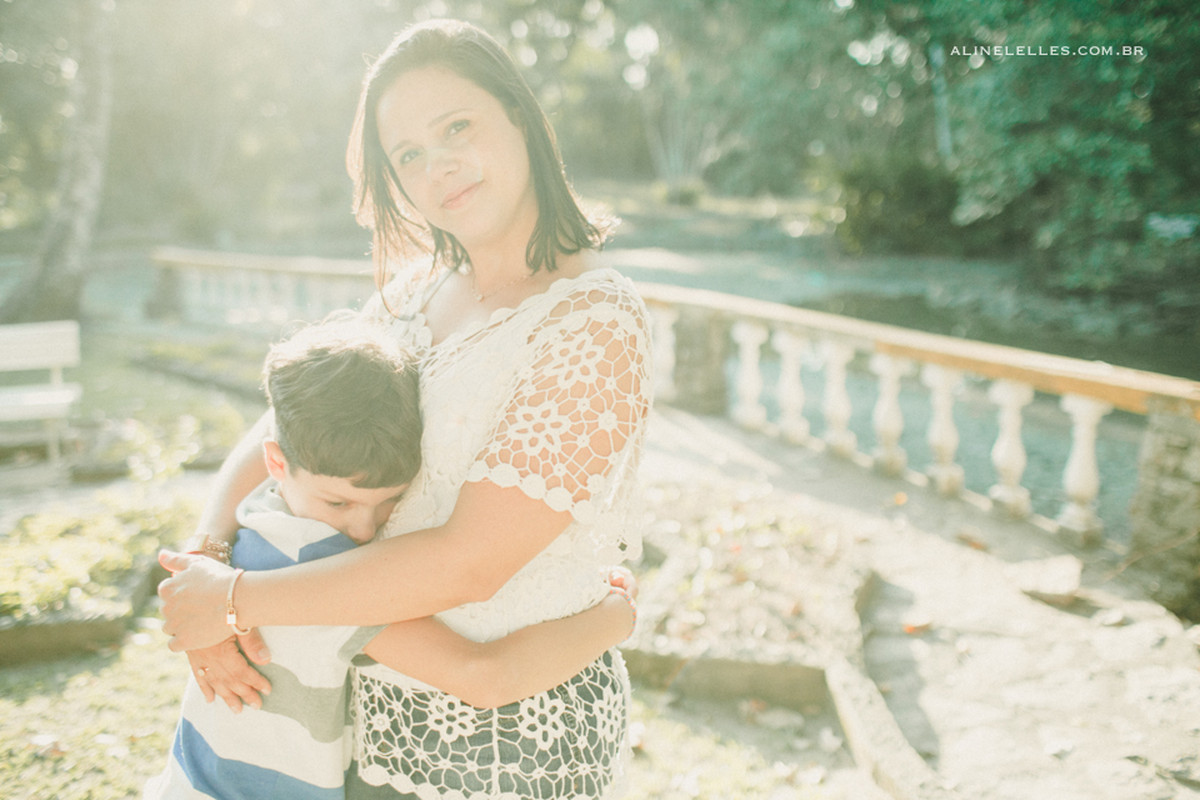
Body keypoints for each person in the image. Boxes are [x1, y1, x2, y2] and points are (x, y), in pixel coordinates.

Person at [157, 18, 653, 800]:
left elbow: (470, 563)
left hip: (508, 741)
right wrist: (207, 557)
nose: (439, 165)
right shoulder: (410, 293)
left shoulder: (592, 323)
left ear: (519, 116)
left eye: (457, 126)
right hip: (358, 714)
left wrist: (232, 601)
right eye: (409, 154)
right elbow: (285, 430)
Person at [146, 318, 638, 799]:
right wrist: (617, 616)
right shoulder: (312, 563)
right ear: (276, 461)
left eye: (388, 502)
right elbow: (484, 676)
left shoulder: (256, 516)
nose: (363, 529)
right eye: (339, 503)